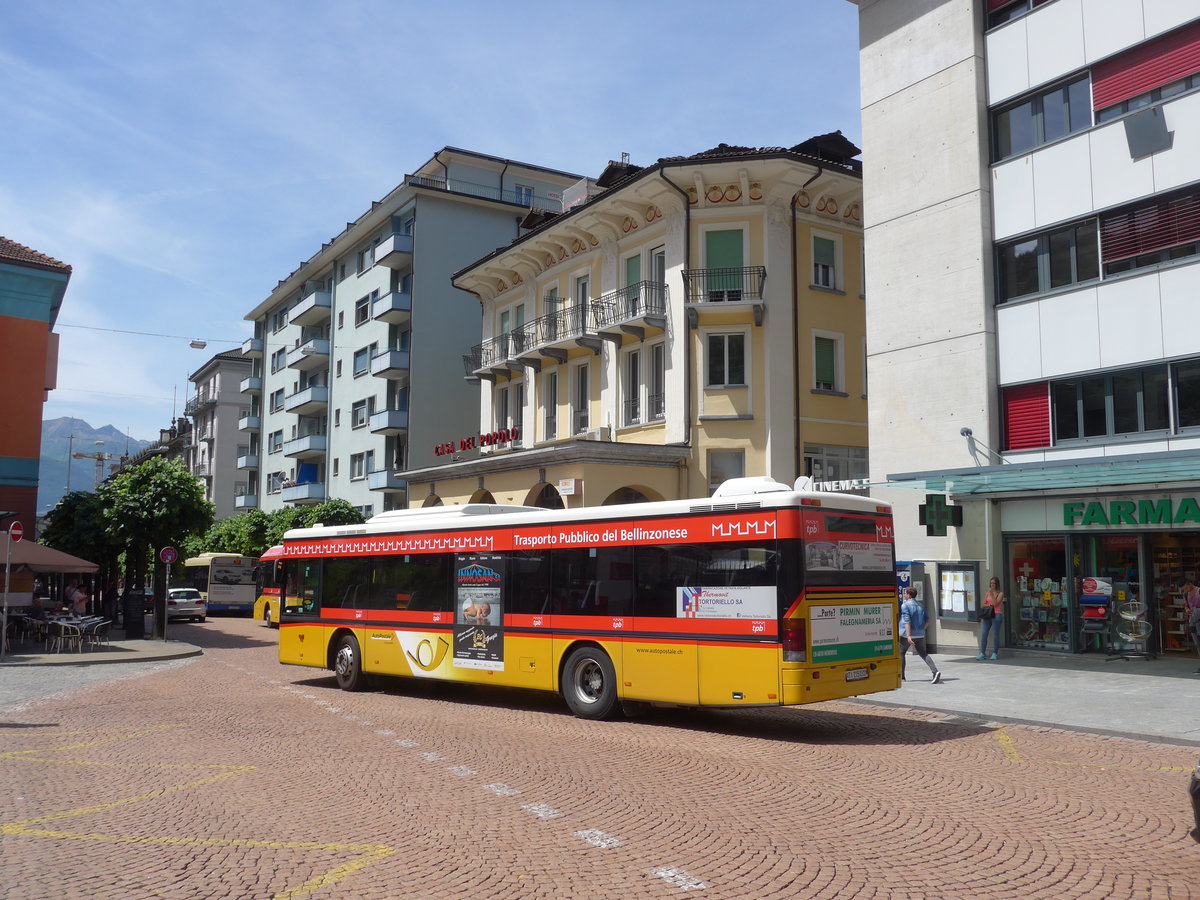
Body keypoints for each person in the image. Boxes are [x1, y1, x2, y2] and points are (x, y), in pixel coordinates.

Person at [899, 587, 942, 684]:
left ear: (909, 595)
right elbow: (928, 620)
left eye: (905, 593)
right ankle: (935, 671)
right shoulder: (921, 605)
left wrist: (909, 635)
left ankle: (902, 677)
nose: (904, 595)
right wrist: (922, 630)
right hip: (920, 634)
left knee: (901, 653)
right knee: (923, 654)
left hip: (907, 635)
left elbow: (907, 621)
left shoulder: (905, 606)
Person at [978, 576, 1004, 660]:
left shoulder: (1000, 593)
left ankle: (995, 653)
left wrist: (992, 595)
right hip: (988, 615)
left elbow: (996, 603)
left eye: (994, 583)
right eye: (991, 583)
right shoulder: (987, 593)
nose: (992, 585)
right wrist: (989, 605)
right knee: (984, 633)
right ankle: (982, 653)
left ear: (997, 584)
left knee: (996, 634)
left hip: (997, 614)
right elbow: (983, 604)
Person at [1183, 578, 1200, 673]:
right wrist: (1187, 610)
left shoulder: (1199, 591)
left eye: (1186, 588)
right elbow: (1186, 605)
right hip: (1193, 621)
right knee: (1197, 643)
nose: (1185, 590)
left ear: (1189, 584)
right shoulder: (1186, 594)